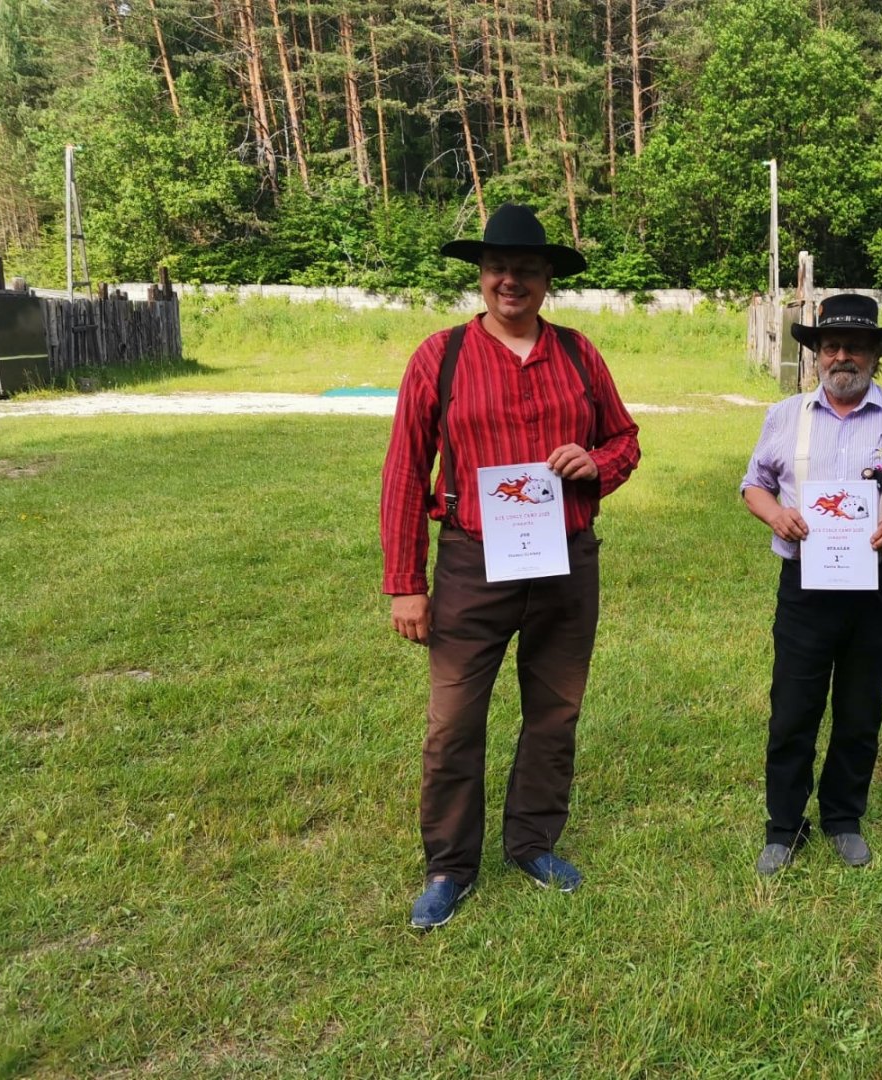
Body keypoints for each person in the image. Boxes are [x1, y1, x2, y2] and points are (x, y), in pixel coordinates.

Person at [381, 203, 641, 928]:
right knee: (454, 721)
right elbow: (406, 469)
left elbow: (624, 439)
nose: (510, 281)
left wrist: (596, 463)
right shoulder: (440, 357)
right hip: (473, 563)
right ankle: (449, 865)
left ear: (547, 277)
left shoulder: (579, 355)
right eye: (497, 267)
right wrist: (405, 584)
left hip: (566, 562)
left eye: (526, 269)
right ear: (481, 275)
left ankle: (532, 843)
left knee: (554, 712)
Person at [740, 293, 882, 875]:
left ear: (876, 354)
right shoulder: (785, 416)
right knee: (792, 710)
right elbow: (754, 484)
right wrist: (775, 514)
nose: (842, 357)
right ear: (815, 354)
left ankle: (842, 818)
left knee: (860, 709)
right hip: (805, 587)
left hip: (878, 588)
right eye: (831, 346)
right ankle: (784, 827)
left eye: (856, 347)